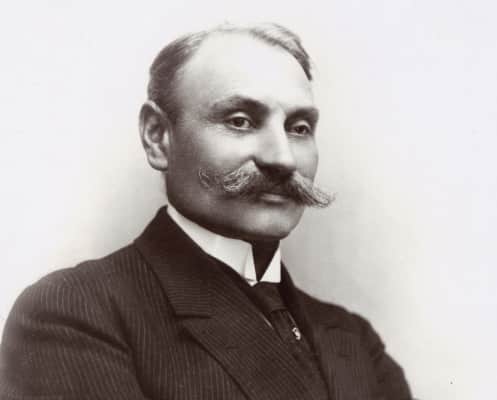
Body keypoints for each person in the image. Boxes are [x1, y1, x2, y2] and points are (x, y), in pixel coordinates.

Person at [0, 23, 412, 400]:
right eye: (240, 121)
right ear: (158, 137)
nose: (283, 158)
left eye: (299, 128)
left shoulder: (355, 342)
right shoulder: (76, 312)